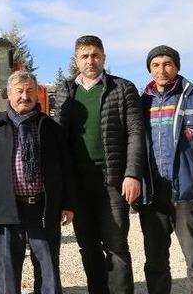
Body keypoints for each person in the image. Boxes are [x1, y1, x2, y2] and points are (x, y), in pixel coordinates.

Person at [53, 35, 146, 294]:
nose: (90, 60)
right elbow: (59, 138)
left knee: (116, 245)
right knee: (88, 245)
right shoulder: (66, 91)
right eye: (84, 56)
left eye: (95, 55)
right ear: (76, 60)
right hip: (78, 182)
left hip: (112, 179)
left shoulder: (122, 88)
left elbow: (136, 133)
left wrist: (132, 174)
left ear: (103, 57)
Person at [0, 71, 74, 294]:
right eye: (19, 91)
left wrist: (67, 204)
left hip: (42, 207)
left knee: (48, 264)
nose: (24, 96)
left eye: (30, 91)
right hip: (7, 208)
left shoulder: (50, 128)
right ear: (9, 95)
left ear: (37, 94)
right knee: (7, 267)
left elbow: (65, 170)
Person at [138, 45, 193, 294]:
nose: (162, 70)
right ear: (150, 69)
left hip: (187, 191)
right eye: (155, 65)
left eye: (167, 64)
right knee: (155, 259)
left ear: (176, 67)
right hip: (153, 193)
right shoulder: (142, 102)